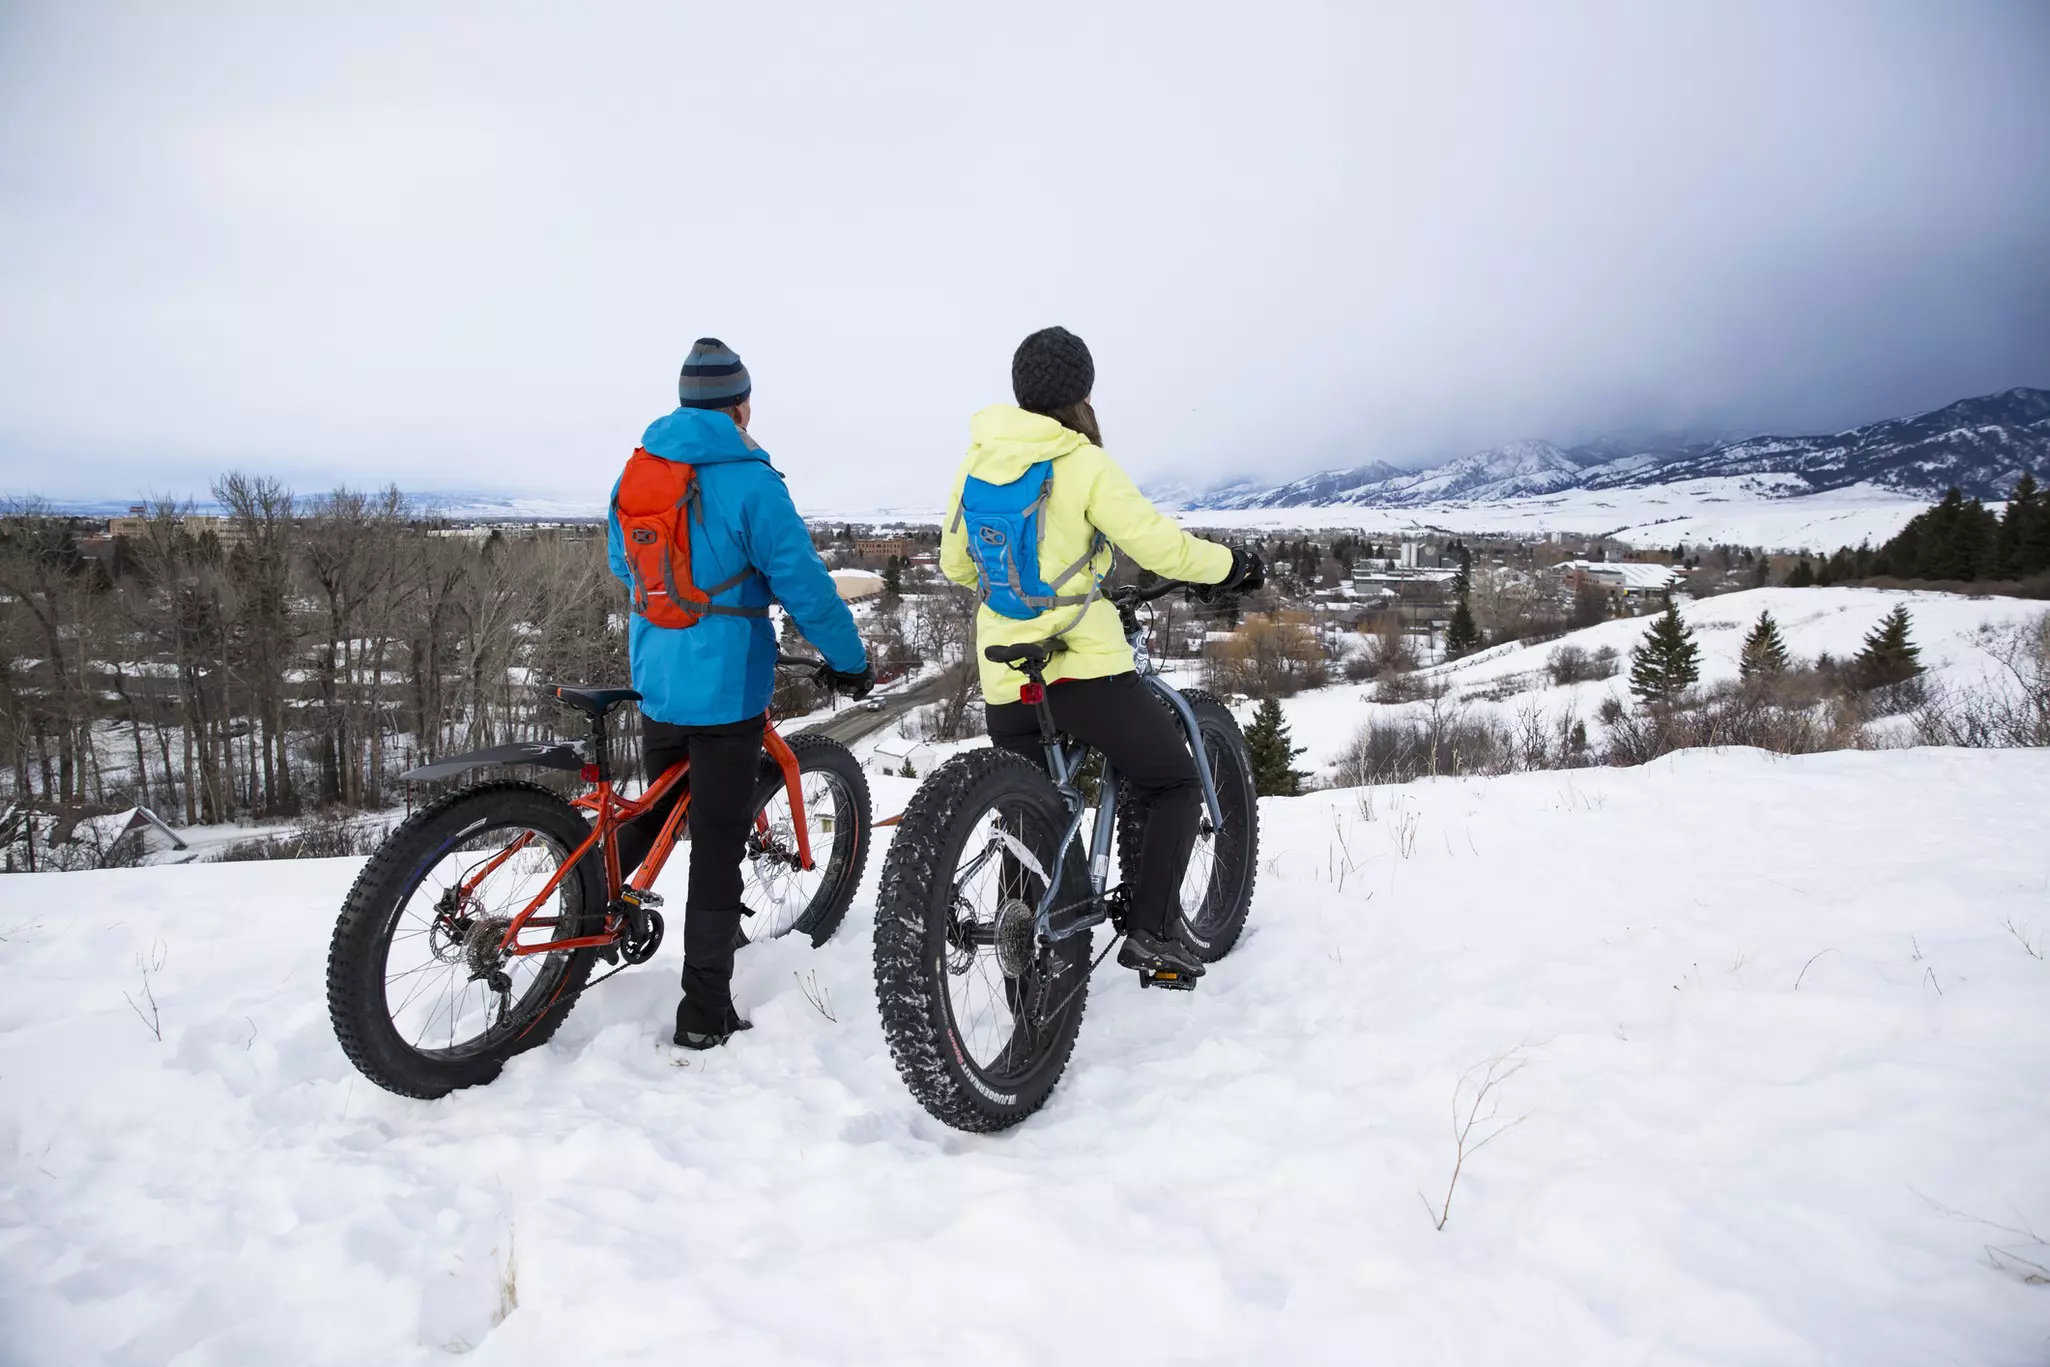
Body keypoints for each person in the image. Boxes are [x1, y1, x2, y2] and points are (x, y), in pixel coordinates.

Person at [940, 326, 1263, 983]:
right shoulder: (1082, 461)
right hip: (1083, 670)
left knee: (1030, 822)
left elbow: (955, 563)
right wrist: (1231, 566)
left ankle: (1026, 986)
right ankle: (1152, 933)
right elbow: (1161, 546)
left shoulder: (979, 458)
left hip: (1006, 672)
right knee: (1171, 780)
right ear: (1081, 392)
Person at [608, 338, 873, 1049]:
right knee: (718, 847)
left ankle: (579, 927)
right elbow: (805, 586)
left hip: (657, 676)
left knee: (651, 811)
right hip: (726, 690)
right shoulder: (753, 481)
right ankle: (703, 1013)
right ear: (741, 406)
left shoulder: (640, 470)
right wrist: (849, 659)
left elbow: (621, 561)